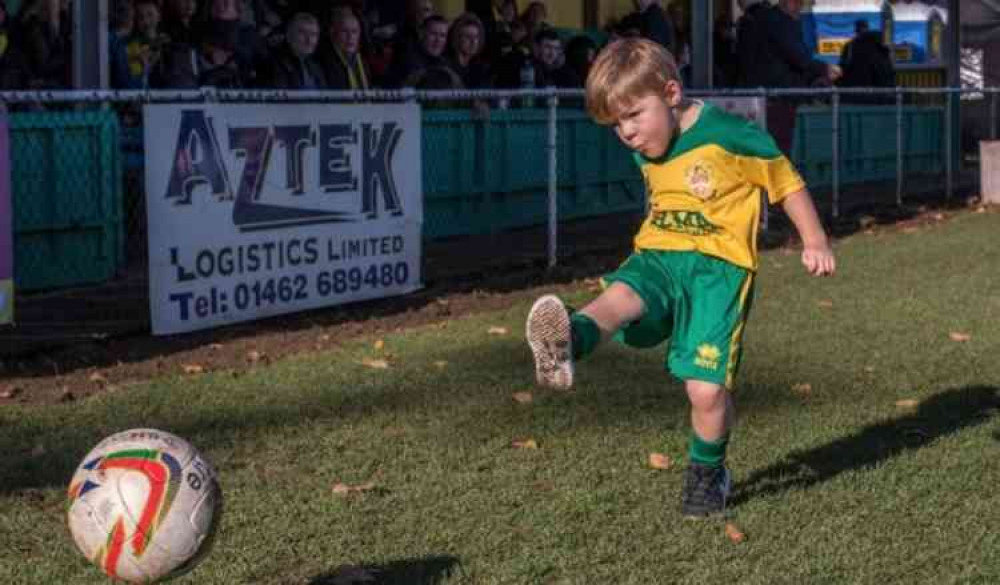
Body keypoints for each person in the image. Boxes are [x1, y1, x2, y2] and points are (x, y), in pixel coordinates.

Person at [525, 38, 836, 519]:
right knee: (623, 294)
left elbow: (785, 180)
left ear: (671, 93)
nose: (626, 133)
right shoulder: (647, 144)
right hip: (660, 256)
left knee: (706, 392)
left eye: (633, 116)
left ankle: (707, 473)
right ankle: (570, 338)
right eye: (616, 124)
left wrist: (813, 239)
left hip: (718, 273)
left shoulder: (730, 135)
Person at [838, 19, 895, 104]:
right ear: (867, 28)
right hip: (878, 91)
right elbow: (887, 67)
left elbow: (844, 66)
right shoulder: (879, 45)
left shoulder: (850, 46)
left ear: (856, 31)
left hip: (855, 90)